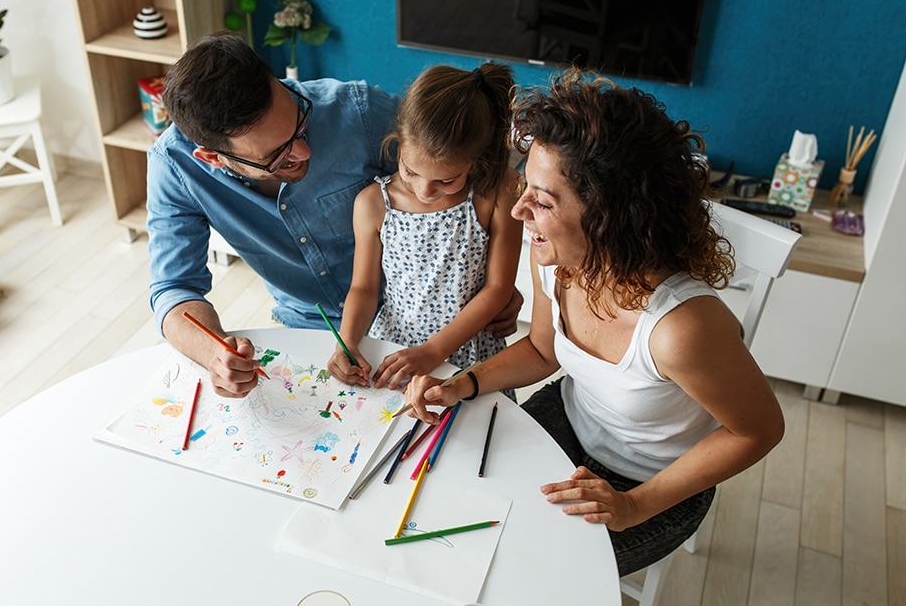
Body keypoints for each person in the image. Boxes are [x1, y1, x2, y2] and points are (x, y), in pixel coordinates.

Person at [404, 67, 785, 576]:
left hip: (649, 484)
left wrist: (635, 507)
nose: (518, 211)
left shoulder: (681, 328)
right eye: (525, 189)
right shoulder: (560, 261)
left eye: (541, 200)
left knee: (522, 574)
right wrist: (461, 385)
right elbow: (542, 352)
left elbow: (757, 431)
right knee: (446, 511)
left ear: (608, 213)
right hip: (565, 424)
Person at [146, 32, 521, 400]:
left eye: (300, 123)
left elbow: (459, 151)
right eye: (278, 156)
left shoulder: (360, 112)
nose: (305, 151)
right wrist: (215, 354)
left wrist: (493, 278)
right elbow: (174, 290)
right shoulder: (174, 169)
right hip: (308, 330)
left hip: (416, 323)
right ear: (213, 158)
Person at [327, 63, 523, 393]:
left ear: (477, 159)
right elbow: (363, 288)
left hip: (468, 356)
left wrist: (433, 351)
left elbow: (498, 289)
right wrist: (346, 343)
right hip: (393, 353)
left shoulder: (498, 191)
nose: (425, 191)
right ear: (398, 144)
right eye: (410, 171)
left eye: (446, 180)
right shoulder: (372, 204)